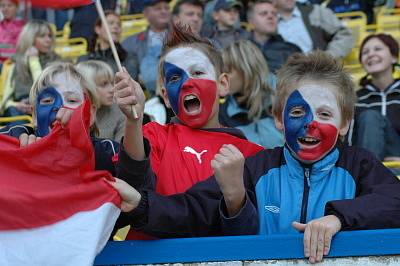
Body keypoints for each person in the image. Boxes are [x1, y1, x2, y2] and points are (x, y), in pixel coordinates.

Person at [108, 51, 400, 264]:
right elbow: (192, 210)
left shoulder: (359, 165)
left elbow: (394, 201)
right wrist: (140, 204)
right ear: (278, 119)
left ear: (345, 123)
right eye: (297, 112)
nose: (310, 123)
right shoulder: (257, 166)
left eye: (324, 114)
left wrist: (339, 218)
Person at [113, 23, 264, 239]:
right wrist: (132, 121)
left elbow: (250, 232)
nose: (186, 83)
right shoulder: (153, 135)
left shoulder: (254, 155)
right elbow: (132, 189)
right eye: (175, 77)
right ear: (165, 96)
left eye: (198, 72)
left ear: (222, 84)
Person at [0, 62, 119, 176]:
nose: (59, 107)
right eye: (47, 101)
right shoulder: (15, 138)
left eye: (72, 100)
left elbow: (133, 173)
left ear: (91, 114)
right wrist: (16, 143)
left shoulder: (106, 153)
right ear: (35, 115)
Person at [219, 40, 284, 148]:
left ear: (246, 69)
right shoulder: (224, 110)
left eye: (227, 71)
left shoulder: (284, 96)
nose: (221, 77)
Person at [350, 33, 400, 161]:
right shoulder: (356, 98)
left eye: (378, 49)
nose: (371, 54)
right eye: (365, 52)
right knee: (370, 117)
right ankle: (369, 175)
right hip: (370, 165)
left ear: (394, 57)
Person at [0, 20, 59, 117]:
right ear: (30, 39)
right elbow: (4, 101)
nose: (48, 40)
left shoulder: (57, 62)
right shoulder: (13, 63)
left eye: (50, 36)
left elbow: (43, 89)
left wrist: (33, 61)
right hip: (19, 109)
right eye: (42, 36)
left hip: (47, 105)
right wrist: (17, 105)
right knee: (12, 110)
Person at [122, 0, 171, 95]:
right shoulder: (130, 42)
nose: (163, 11)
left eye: (167, 8)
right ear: (146, 13)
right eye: (158, 8)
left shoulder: (182, 38)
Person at [274, 0, 353, 58]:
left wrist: (329, 56)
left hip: (319, 70)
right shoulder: (267, 20)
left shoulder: (316, 12)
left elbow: (344, 34)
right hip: (285, 74)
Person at [78, 10, 139, 80]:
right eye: (111, 23)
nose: (116, 27)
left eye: (119, 25)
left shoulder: (129, 58)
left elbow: (129, 83)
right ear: (98, 29)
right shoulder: (84, 60)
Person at [76, 60, 125, 142]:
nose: (112, 89)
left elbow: (122, 152)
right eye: (104, 84)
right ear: (86, 86)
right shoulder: (71, 113)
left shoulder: (120, 112)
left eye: (112, 83)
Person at [246, 0, 301, 73]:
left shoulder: (292, 50)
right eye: (263, 13)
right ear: (251, 21)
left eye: (274, 14)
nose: (270, 16)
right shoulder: (240, 50)